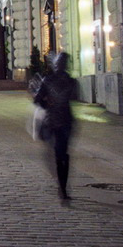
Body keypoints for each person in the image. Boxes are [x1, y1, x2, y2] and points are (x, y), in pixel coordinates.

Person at [34, 52, 79, 201]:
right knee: (63, 153)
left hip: (53, 120)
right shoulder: (71, 81)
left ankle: (62, 186)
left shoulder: (48, 80)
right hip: (65, 120)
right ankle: (63, 187)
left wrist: (48, 105)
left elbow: (37, 99)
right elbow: (74, 97)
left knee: (58, 153)